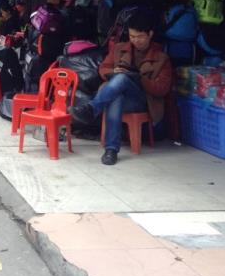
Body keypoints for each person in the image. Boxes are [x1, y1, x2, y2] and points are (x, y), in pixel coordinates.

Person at [72, 11, 173, 166]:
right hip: (117, 95)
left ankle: (92, 108)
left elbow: (162, 88)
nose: (135, 41)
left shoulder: (161, 58)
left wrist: (140, 79)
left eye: (140, 37)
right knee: (117, 95)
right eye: (132, 36)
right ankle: (111, 150)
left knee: (124, 79)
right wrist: (113, 72)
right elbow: (103, 68)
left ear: (150, 34)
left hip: (142, 100)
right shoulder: (120, 48)